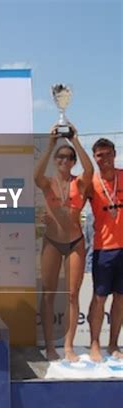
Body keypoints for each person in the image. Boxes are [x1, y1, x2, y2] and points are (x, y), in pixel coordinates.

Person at [34, 125, 93, 361]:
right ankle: (49, 345)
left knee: (72, 295)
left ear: (73, 161)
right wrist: (50, 145)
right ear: (55, 160)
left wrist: (76, 140)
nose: (64, 161)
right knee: (48, 294)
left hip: (75, 242)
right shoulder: (47, 183)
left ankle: (68, 346)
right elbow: (35, 176)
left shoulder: (79, 183)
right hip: (52, 242)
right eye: (61, 157)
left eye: (69, 158)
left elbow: (89, 169)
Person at [87, 138, 123, 362]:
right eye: (99, 155)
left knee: (120, 298)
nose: (104, 159)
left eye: (107, 154)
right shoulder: (91, 182)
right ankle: (94, 343)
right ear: (94, 158)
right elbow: (72, 207)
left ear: (115, 154)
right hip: (103, 248)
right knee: (99, 299)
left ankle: (113, 344)